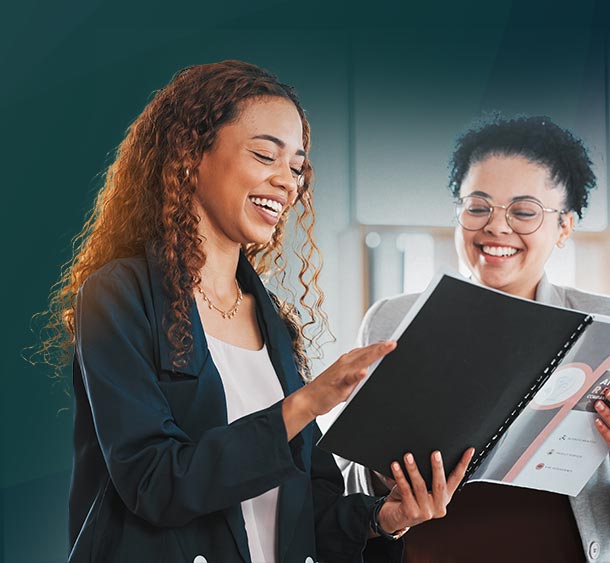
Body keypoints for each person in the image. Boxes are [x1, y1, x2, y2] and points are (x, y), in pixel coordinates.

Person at [38, 61, 474, 563]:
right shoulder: (118, 296)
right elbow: (154, 482)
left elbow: (308, 509)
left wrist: (382, 520)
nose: (287, 182)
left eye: (296, 168)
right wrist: (303, 405)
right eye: (265, 154)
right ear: (189, 156)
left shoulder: (275, 325)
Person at [340, 115, 610, 562]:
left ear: (565, 226)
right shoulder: (392, 319)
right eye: (478, 206)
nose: (496, 227)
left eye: (524, 212)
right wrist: (381, 478)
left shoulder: (603, 323)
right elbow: (349, 479)